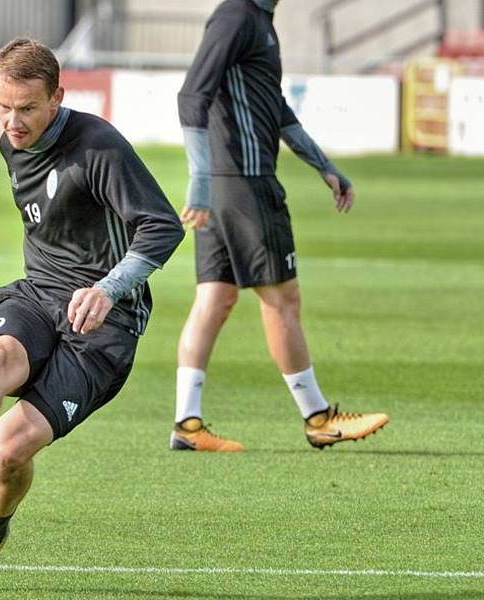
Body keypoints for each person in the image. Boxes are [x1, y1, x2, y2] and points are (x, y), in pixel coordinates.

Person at [0, 38, 184, 591]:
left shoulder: (98, 147)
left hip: (103, 326)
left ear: (57, 98)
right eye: (3, 107)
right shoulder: (11, 142)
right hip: (38, 293)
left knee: (8, 449)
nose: (13, 122)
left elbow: (163, 226)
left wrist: (108, 288)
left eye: (27, 108)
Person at [170, 0, 389, 452]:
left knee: (216, 296)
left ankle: (186, 425)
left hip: (227, 185)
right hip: (245, 186)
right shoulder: (236, 17)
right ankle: (318, 417)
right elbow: (192, 94)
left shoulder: (257, 21)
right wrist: (199, 178)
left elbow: (277, 108)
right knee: (282, 298)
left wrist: (322, 164)